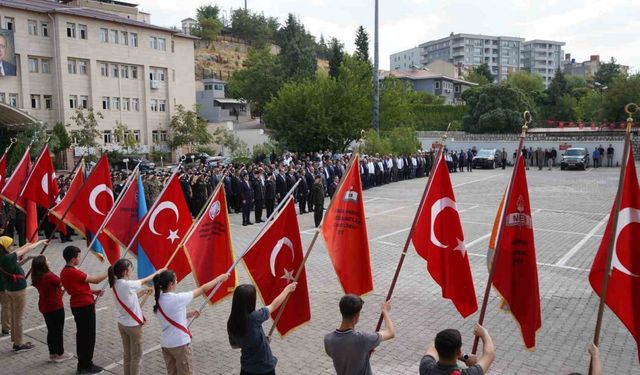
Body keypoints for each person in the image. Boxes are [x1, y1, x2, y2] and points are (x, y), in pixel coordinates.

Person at [153, 270, 230, 375]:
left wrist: (189, 314)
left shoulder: (158, 300)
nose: (177, 281)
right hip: (179, 344)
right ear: (171, 284)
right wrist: (219, 278)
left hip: (166, 344)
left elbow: (170, 316)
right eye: (175, 280)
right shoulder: (177, 299)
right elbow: (202, 289)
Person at [108, 259, 165, 375]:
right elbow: (145, 280)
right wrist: (158, 272)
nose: (132, 271)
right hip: (132, 326)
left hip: (122, 324)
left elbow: (128, 299)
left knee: (127, 355)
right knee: (136, 357)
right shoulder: (128, 284)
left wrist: (141, 293)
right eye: (131, 268)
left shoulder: (115, 284)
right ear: (125, 272)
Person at [227, 282, 298, 375]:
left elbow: (235, 345)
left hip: (246, 368)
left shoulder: (232, 322)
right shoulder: (255, 317)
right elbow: (274, 305)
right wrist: (287, 290)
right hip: (264, 368)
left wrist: (261, 341)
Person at [60, 245, 108, 374]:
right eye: (78, 256)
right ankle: (87, 365)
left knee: (82, 335)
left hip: (78, 304)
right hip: (84, 306)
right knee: (88, 336)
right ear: (73, 259)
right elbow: (96, 280)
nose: (80, 258)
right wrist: (109, 272)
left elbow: (77, 287)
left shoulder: (64, 272)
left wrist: (92, 291)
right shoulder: (74, 272)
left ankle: (83, 363)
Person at [324, 295, 395, 375]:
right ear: (356, 316)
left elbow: (342, 356)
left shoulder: (328, 339)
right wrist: (385, 311)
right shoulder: (363, 339)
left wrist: (361, 353)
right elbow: (390, 332)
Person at [0, 236, 45, 352]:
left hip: (10, 289)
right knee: (18, 317)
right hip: (17, 290)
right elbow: (27, 249)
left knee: (15, 316)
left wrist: (28, 257)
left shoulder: (5, 257)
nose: (13, 246)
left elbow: (18, 260)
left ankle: (15, 340)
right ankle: (19, 344)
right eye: (11, 245)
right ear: (6, 247)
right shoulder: (8, 258)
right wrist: (40, 242)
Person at [30, 255, 74, 362]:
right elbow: (61, 282)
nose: (49, 262)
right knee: (58, 330)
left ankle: (53, 353)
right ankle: (60, 353)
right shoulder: (49, 276)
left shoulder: (37, 276)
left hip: (45, 306)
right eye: (47, 260)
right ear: (43, 264)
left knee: (51, 330)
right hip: (55, 306)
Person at [419, 324, 495, 375]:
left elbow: (433, 346)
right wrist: (484, 334)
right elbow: (489, 354)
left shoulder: (425, 368)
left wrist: (464, 356)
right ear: (458, 352)